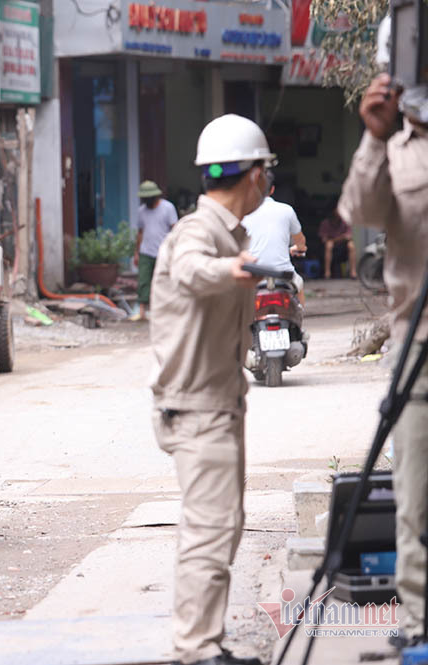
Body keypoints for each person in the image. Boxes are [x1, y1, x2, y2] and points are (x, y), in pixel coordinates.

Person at [150, 114, 273, 665]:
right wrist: (235, 270)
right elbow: (191, 271)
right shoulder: (198, 233)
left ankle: (206, 643)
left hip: (219, 404)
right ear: (253, 176)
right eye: (265, 170)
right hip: (197, 408)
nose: (267, 180)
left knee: (224, 528)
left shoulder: (231, 232)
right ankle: (196, 651)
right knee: (209, 533)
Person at [339, 71, 428, 649]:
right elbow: (361, 211)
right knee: (415, 497)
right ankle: (420, 622)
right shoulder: (397, 150)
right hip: (420, 348)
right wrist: (375, 136)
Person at [240, 179, 308, 303]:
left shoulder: (243, 212)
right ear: (272, 190)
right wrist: (300, 247)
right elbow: (300, 240)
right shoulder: (286, 210)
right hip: (283, 274)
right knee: (300, 286)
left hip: (253, 274)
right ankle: (299, 320)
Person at [132, 180, 178, 321]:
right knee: (144, 281)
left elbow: (175, 229)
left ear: (155, 196)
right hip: (146, 251)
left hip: (164, 252)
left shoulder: (168, 208)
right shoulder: (142, 211)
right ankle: (142, 312)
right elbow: (140, 232)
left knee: (164, 281)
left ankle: (164, 311)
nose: (146, 201)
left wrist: (175, 250)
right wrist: (136, 252)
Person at [318, 209, 357, 279]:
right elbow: (324, 239)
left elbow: (348, 237)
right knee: (329, 244)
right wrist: (340, 238)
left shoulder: (345, 222)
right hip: (330, 248)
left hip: (343, 247)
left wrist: (336, 239)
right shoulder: (325, 223)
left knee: (351, 245)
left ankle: (353, 272)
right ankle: (327, 272)